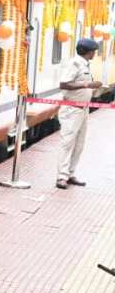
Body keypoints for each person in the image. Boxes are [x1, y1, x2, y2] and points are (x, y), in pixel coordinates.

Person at [56, 37, 102, 190]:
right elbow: (64, 84)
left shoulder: (85, 64)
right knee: (67, 143)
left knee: (79, 144)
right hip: (72, 110)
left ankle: (70, 173)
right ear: (88, 52)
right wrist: (87, 84)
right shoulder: (74, 64)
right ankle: (61, 177)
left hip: (83, 110)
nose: (94, 53)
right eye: (93, 51)